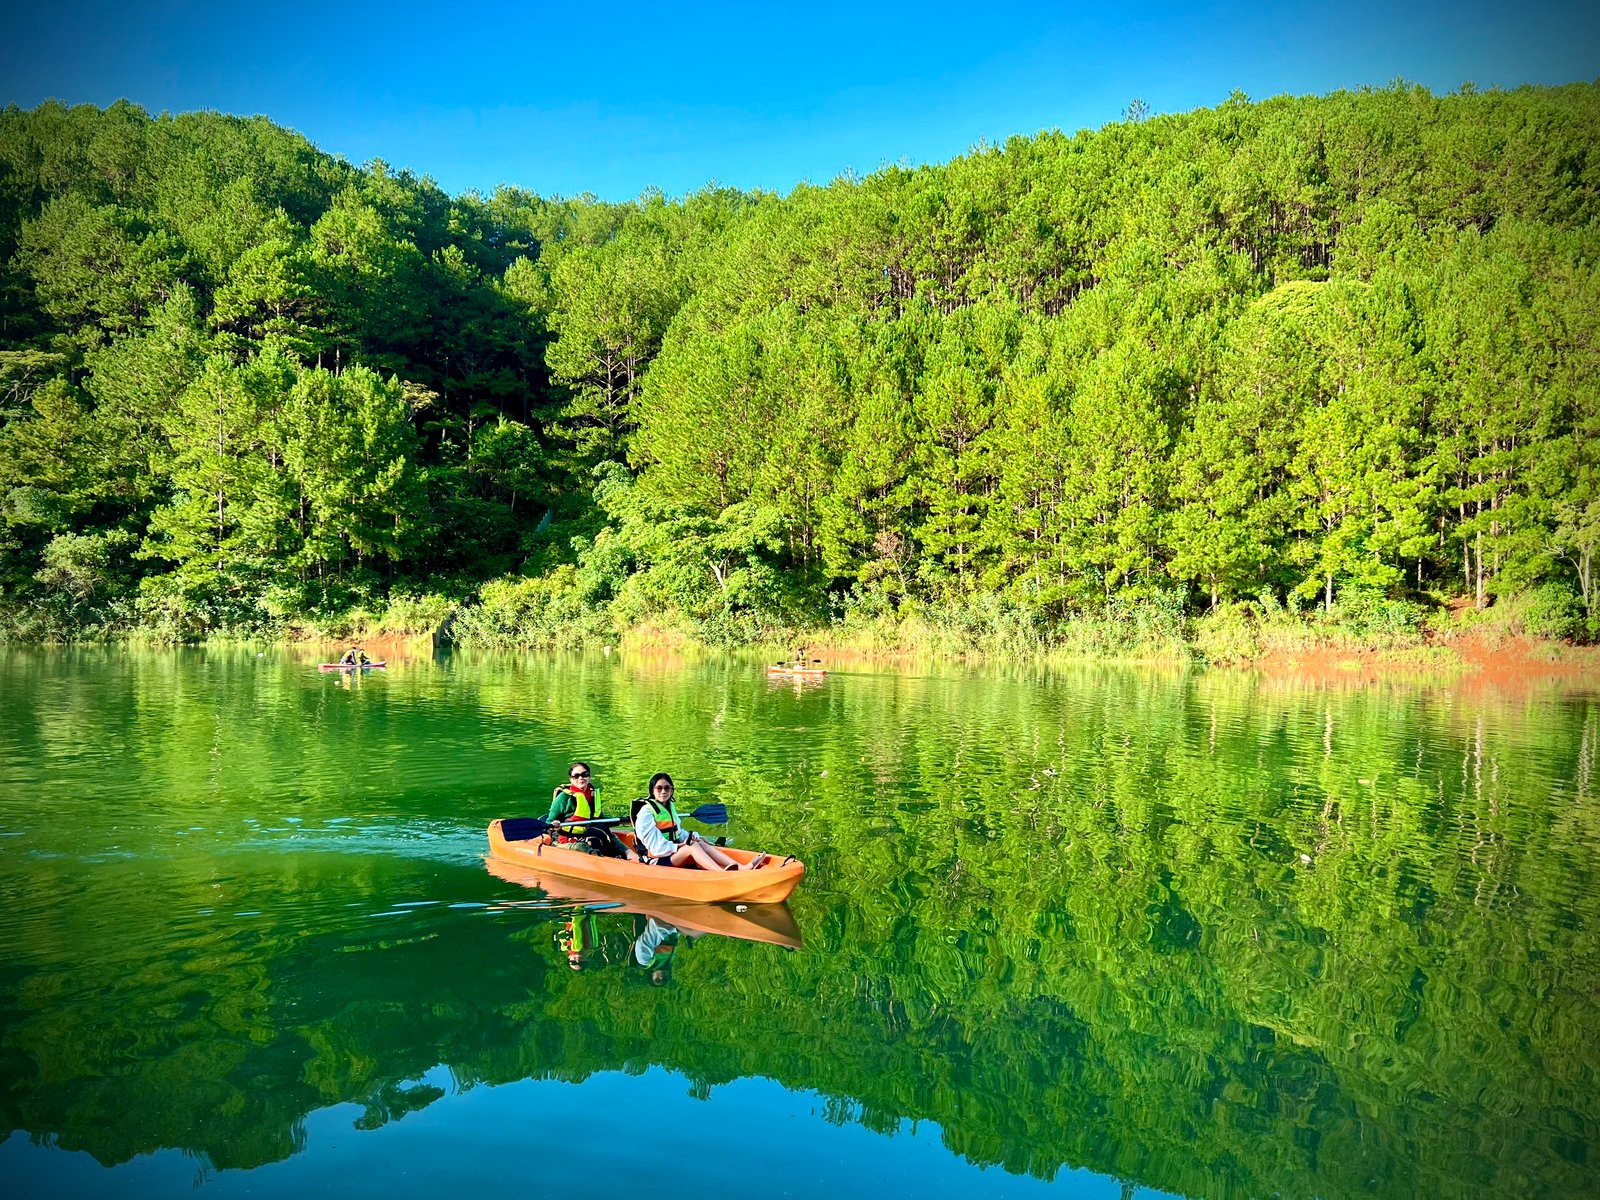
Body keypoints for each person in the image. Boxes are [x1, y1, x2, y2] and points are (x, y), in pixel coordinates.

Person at [631, 773, 767, 871]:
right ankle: (720, 874)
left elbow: (678, 833)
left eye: (667, 788)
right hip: (657, 860)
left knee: (697, 842)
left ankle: (742, 867)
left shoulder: (669, 808)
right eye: (659, 788)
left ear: (672, 790)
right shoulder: (646, 813)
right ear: (652, 791)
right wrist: (682, 845)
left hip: (670, 854)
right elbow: (657, 849)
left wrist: (694, 837)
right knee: (692, 847)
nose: (663, 791)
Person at [547, 761, 637, 861]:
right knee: (581, 846)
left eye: (584, 775)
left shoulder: (593, 795)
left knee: (606, 832)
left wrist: (620, 821)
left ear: (589, 777)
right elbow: (548, 822)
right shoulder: (563, 798)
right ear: (571, 779)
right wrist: (554, 824)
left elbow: (600, 820)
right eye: (576, 776)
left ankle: (629, 854)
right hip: (565, 839)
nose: (581, 778)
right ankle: (600, 860)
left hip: (587, 833)